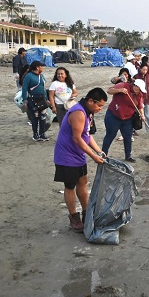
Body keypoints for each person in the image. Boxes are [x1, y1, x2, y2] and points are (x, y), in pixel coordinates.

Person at [54, 88, 107, 232]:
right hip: (66, 156)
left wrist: (99, 151)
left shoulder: (88, 112)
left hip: (78, 155)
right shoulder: (78, 113)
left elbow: (87, 136)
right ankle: (74, 217)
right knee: (70, 185)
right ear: (90, 101)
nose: (100, 109)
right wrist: (93, 156)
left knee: (82, 182)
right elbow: (77, 138)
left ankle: (86, 212)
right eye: (99, 105)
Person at [101, 79, 146, 163]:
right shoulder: (124, 85)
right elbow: (109, 91)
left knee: (128, 136)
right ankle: (103, 154)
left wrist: (142, 115)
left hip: (128, 118)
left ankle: (128, 156)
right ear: (135, 86)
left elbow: (140, 105)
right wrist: (119, 90)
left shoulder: (139, 94)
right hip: (114, 115)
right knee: (110, 135)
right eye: (139, 89)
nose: (139, 91)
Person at [22, 61, 50, 141]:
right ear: (37, 67)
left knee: (43, 117)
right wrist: (25, 100)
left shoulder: (41, 76)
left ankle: (42, 134)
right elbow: (24, 88)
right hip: (32, 99)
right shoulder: (29, 76)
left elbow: (43, 88)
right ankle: (35, 134)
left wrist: (46, 99)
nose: (42, 68)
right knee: (35, 117)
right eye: (41, 66)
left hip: (42, 99)